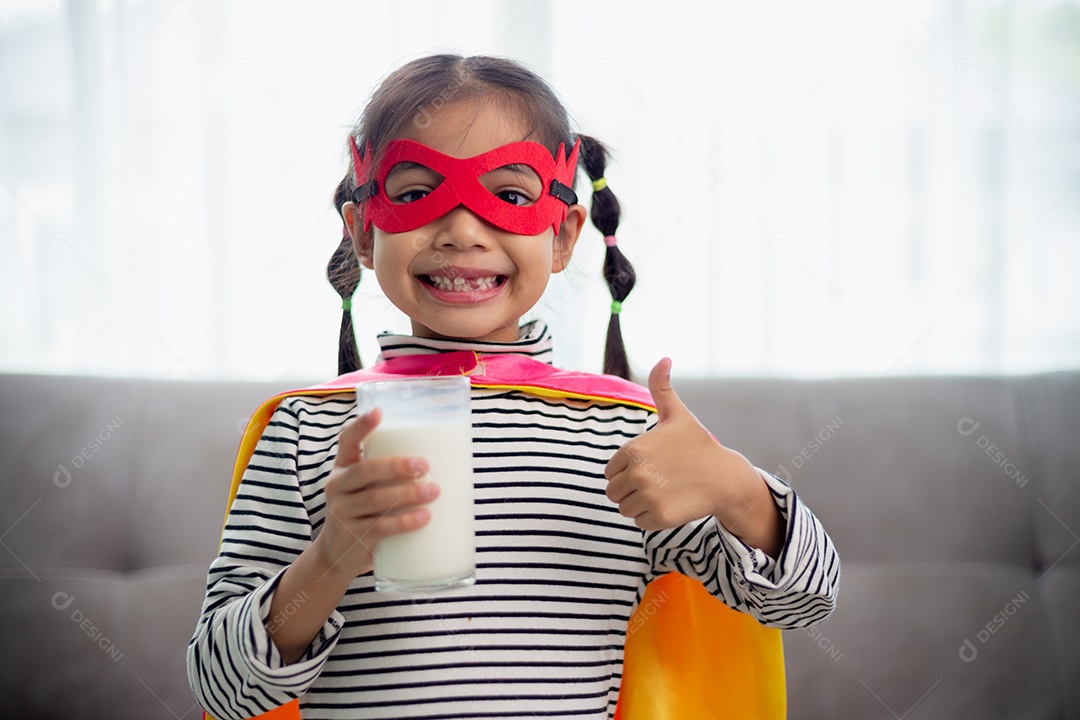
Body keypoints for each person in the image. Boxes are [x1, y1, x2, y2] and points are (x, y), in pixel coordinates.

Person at [188, 54, 840, 720]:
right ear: (361, 231)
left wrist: (739, 488)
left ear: (562, 237)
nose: (462, 231)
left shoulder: (625, 439)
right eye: (415, 195)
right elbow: (223, 690)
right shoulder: (306, 432)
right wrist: (331, 557)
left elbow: (802, 600)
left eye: (510, 196)